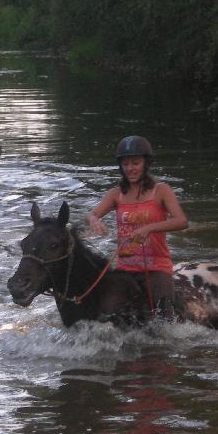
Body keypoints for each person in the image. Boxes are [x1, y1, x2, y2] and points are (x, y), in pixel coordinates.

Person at [86, 136, 188, 318]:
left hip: (157, 267)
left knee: (165, 317)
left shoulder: (161, 190)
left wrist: (149, 228)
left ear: (145, 163)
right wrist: (94, 220)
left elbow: (181, 221)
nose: (130, 169)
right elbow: (92, 214)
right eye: (125, 164)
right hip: (125, 268)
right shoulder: (115, 194)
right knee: (106, 313)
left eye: (135, 163)